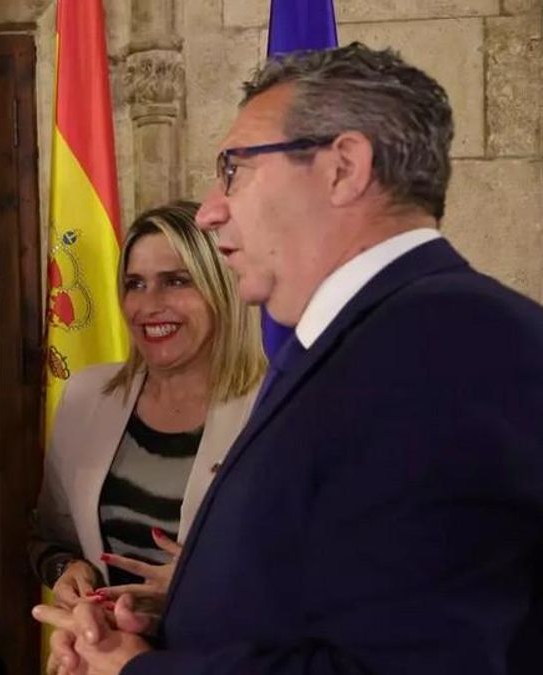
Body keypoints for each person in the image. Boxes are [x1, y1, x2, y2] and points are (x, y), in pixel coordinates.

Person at [34, 41, 543, 675]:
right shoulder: (355, 340)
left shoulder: (445, 347)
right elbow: (329, 598)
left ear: (343, 167)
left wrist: (138, 671)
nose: (214, 209)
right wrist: (161, 624)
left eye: (234, 169)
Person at [29, 201, 265, 617]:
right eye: (134, 284)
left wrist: (201, 586)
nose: (149, 304)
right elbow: (49, 536)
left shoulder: (275, 407)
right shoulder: (87, 396)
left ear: (221, 289)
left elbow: (324, 571)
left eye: (176, 281)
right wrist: (66, 568)